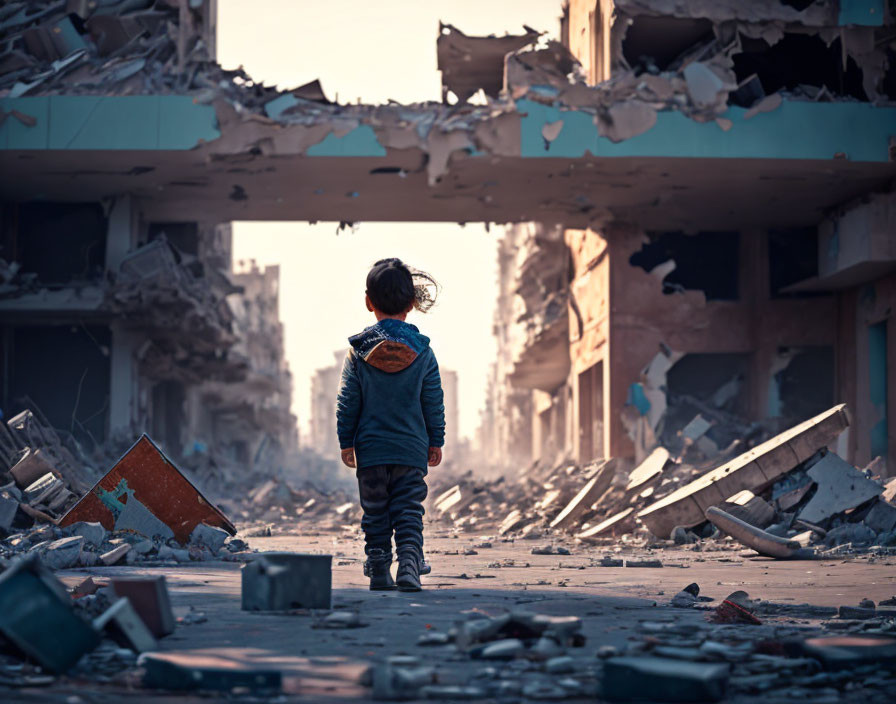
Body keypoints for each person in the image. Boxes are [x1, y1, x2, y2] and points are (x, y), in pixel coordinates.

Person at [336, 258, 445, 592]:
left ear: (369, 302)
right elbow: (433, 400)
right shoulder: (424, 353)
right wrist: (435, 439)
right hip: (411, 450)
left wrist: (346, 442)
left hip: (371, 451)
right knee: (408, 511)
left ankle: (379, 570)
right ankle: (410, 564)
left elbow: (347, 402)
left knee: (375, 513)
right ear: (412, 304)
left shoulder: (358, 353)